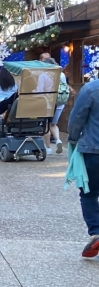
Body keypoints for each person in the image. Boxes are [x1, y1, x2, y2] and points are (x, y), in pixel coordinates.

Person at [66, 75, 99, 258]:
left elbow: (76, 118)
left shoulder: (90, 89)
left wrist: (72, 139)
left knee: (89, 193)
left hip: (93, 150)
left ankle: (96, 232)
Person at [52, 66, 73, 154]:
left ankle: (48, 148)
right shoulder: (62, 75)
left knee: (46, 125)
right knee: (53, 124)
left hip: (49, 102)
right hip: (60, 102)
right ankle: (58, 140)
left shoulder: (45, 75)